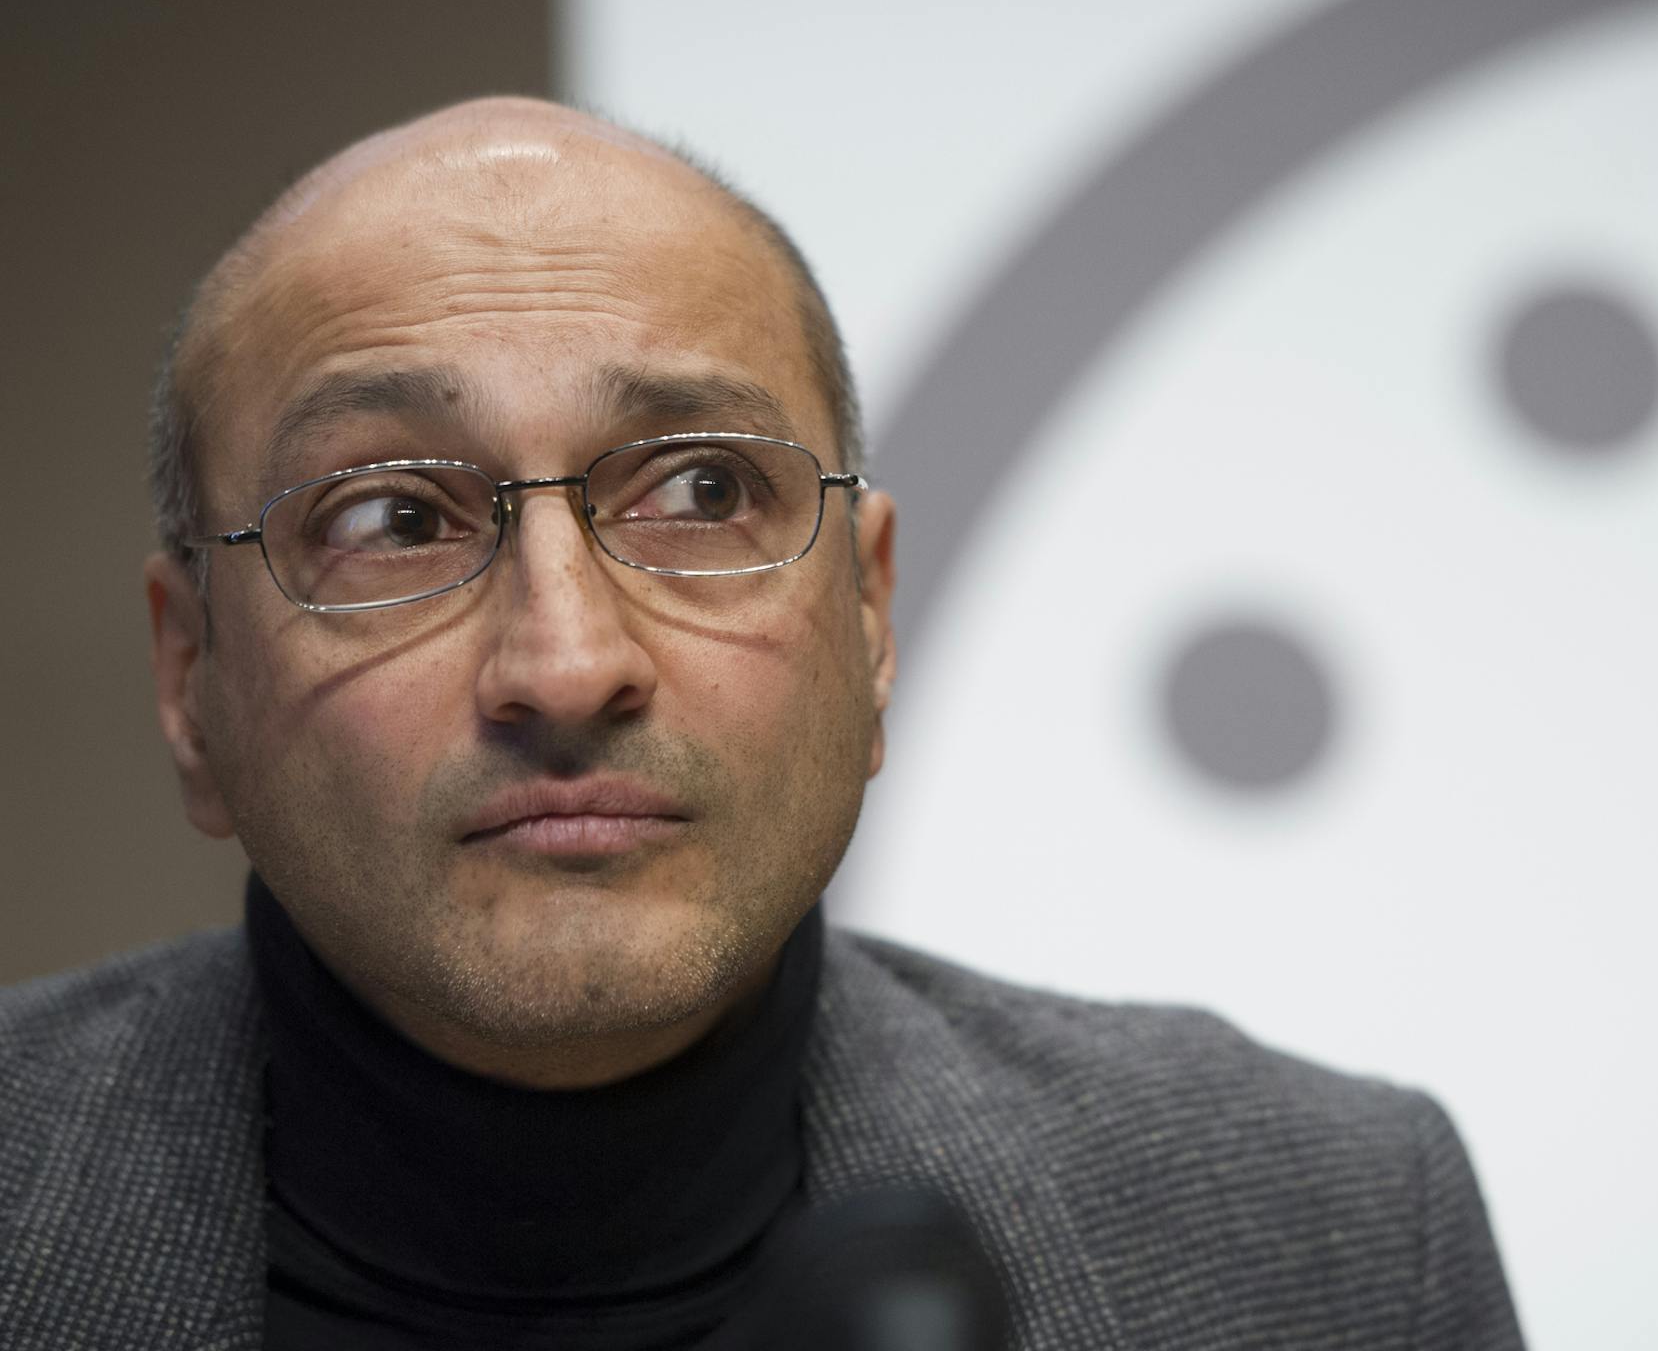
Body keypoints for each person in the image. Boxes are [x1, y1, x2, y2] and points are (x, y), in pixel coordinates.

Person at [0, 97, 1522, 1349]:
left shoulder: (1334, 1242)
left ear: (869, 614)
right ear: (191, 679)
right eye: (393, 517)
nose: (567, 662)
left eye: (702, 489)